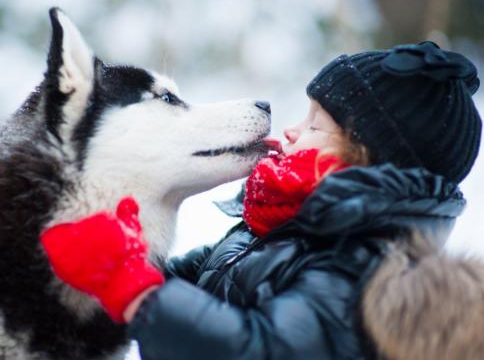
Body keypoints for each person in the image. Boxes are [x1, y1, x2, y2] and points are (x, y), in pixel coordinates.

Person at [41, 41, 482, 360]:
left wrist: (134, 290)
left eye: (315, 126)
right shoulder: (290, 226)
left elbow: (263, 351)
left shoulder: (364, 264)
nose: (291, 130)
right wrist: (126, 256)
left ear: (366, 158)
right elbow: (194, 284)